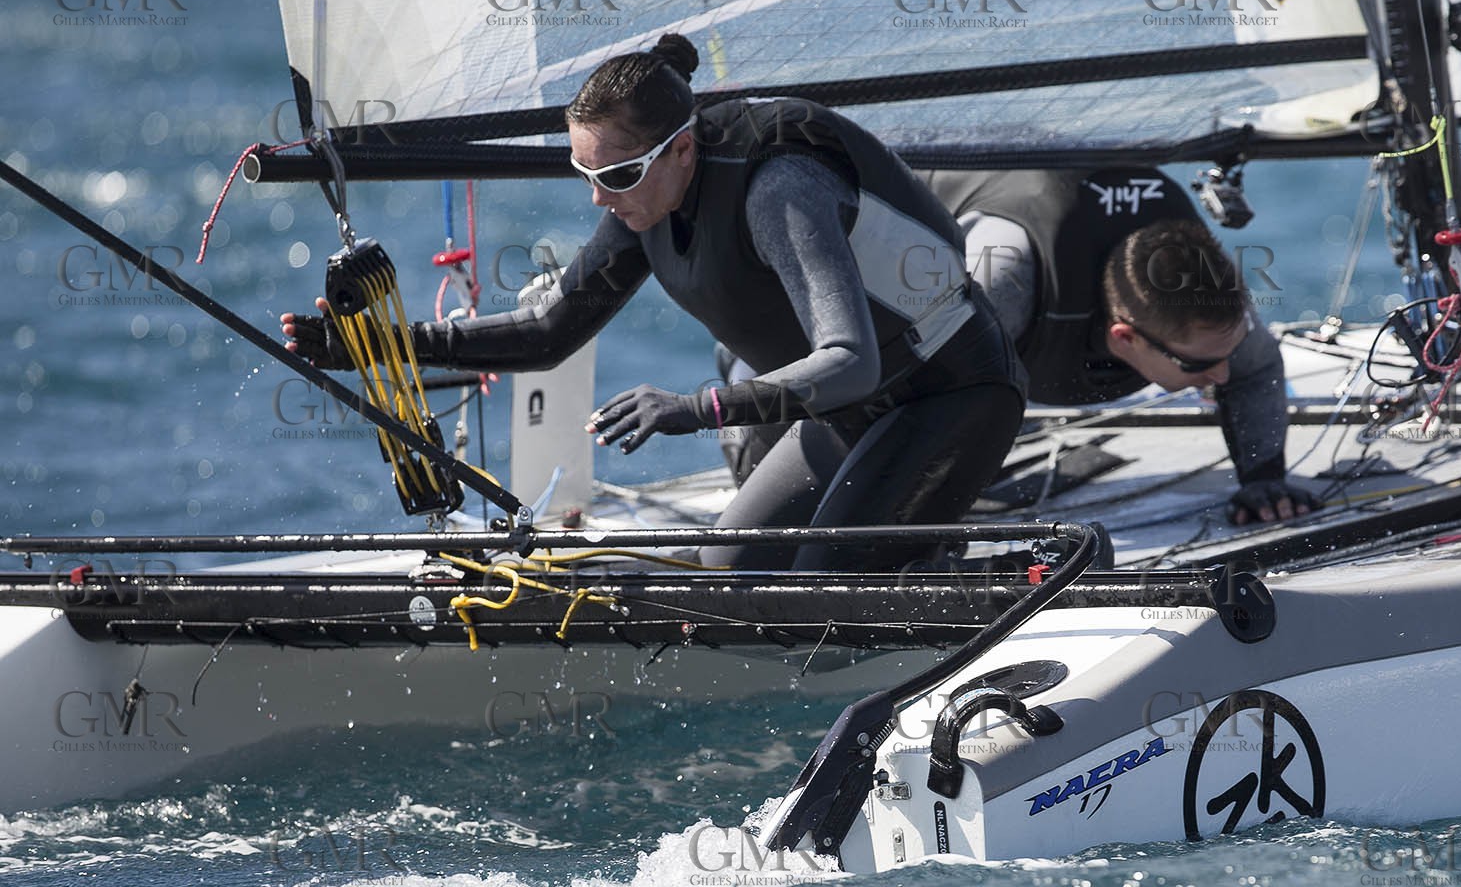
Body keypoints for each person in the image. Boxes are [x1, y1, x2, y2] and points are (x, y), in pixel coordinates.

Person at [282, 34, 1026, 570]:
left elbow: (853, 362)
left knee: (818, 589)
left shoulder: (780, 191)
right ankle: (923, 546)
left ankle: (995, 574)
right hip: (844, 417)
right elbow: (548, 331)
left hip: (947, 397)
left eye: (619, 173)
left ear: (683, 148)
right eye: (585, 173)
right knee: (728, 576)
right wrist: (383, 347)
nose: (599, 197)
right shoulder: (645, 200)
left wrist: (697, 408)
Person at [925, 167, 1317, 524]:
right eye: (1200, 365)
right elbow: (900, 389)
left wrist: (1263, 480)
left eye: (1229, 354)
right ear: (1125, 337)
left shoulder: (1205, 314)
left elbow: (1257, 367)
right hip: (922, 206)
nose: (1224, 374)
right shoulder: (1002, 285)